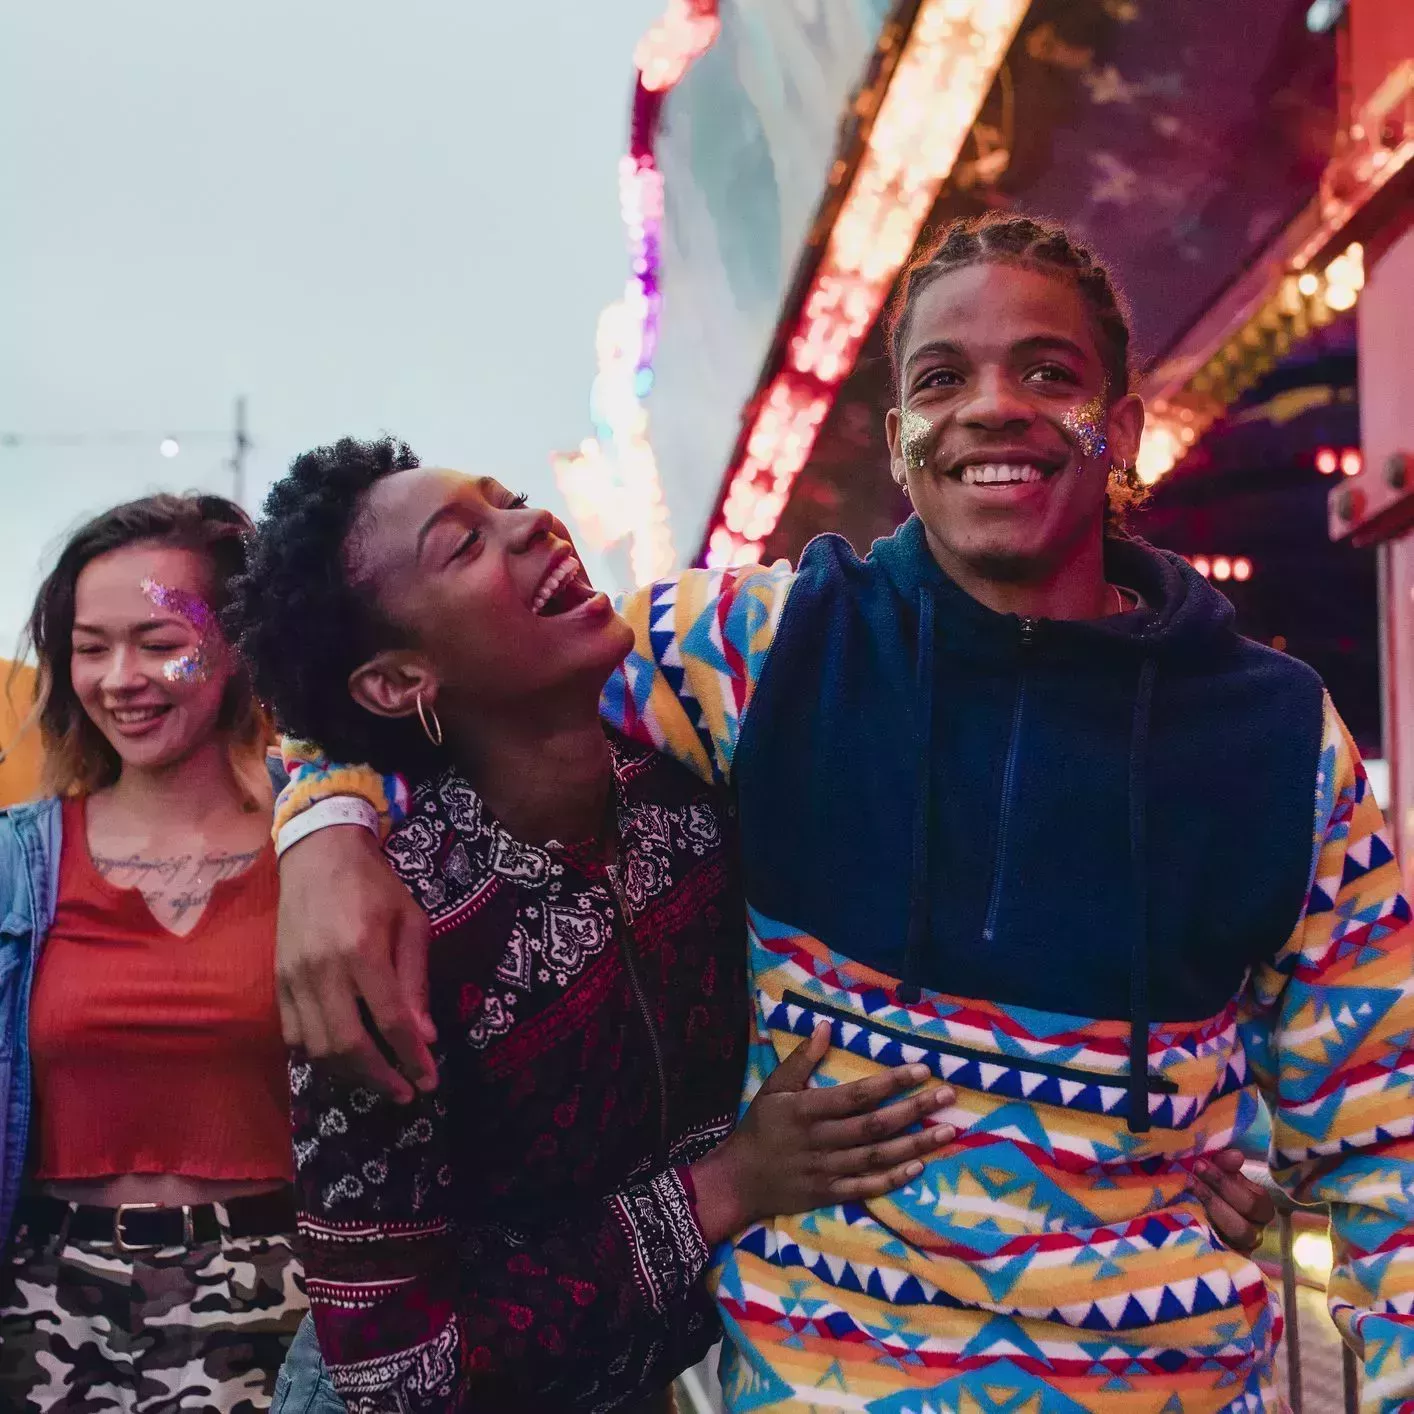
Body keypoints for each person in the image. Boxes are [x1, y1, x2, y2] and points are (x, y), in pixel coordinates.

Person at [265, 212, 1368, 1413]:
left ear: (1124, 431)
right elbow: (427, 687)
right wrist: (325, 824)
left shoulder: (1276, 734)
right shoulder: (754, 653)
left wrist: (1222, 1119)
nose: (993, 405)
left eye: (1047, 371)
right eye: (943, 377)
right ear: (901, 441)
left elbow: (1382, 1122)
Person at [227, 439, 972, 1414]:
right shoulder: (393, 937)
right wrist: (726, 1184)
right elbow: (390, 1366)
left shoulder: (694, 767)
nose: (533, 524)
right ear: (400, 681)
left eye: (513, 503)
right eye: (464, 544)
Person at [0, 494, 305, 1411]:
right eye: (91, 647)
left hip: (282, 1300)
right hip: (45, 1303)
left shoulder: (329, 850)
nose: (120, 677)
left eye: (159, 639)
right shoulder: (16, 863)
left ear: (240, 644)